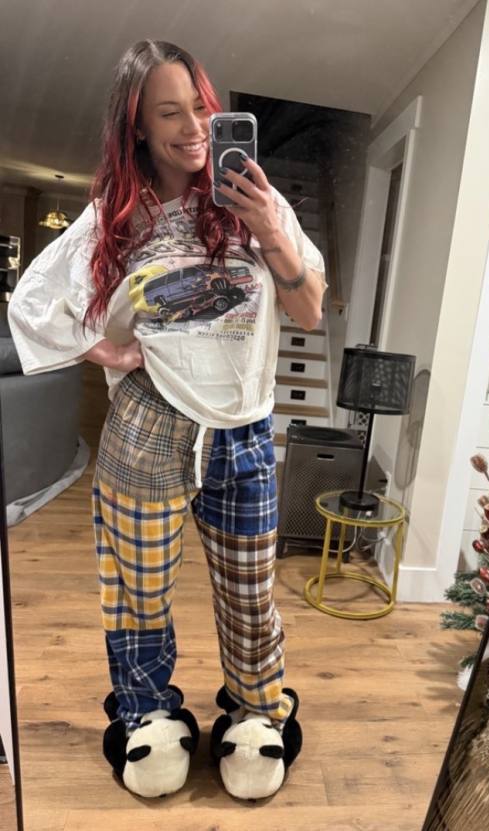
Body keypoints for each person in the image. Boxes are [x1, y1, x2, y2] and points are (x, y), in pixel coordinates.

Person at [7, 39, 326, 797]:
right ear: (138, 127)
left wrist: (268, 228)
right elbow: (32, 303)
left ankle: (257, 712)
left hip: (245, 430)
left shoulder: (259, 201)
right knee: (138, 592)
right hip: (149, 425)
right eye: (169, 113)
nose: (192, 128)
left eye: (201, 109)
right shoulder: (114, 217)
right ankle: (147, 714)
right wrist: (109, 351)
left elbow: (310, 310)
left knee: (251, 595)